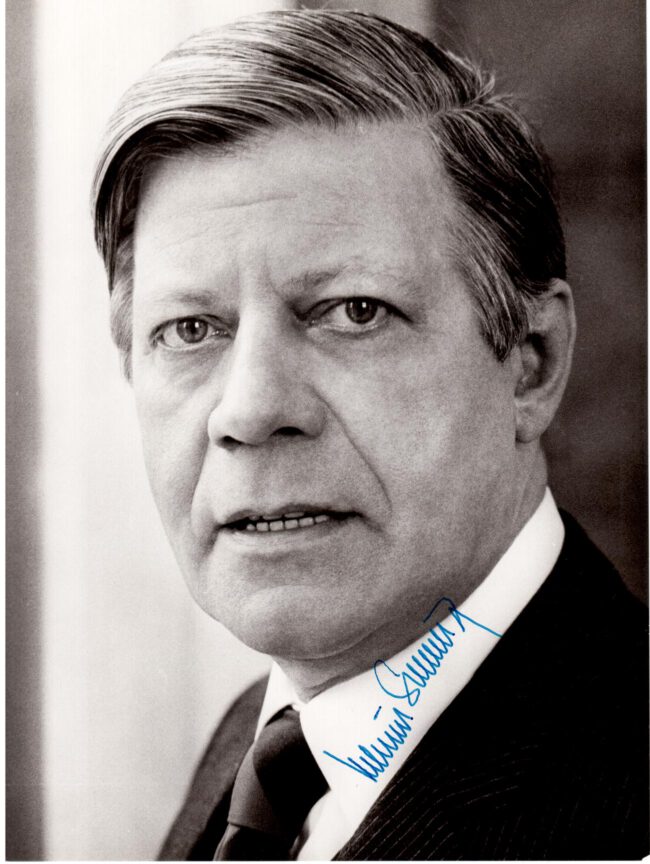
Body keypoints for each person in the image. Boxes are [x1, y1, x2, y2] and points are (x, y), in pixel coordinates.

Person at [91, 10, 648, 860]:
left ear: (530, 364)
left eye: (354, 312)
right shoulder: (261, 746)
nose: (249, 411)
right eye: (191, 330)